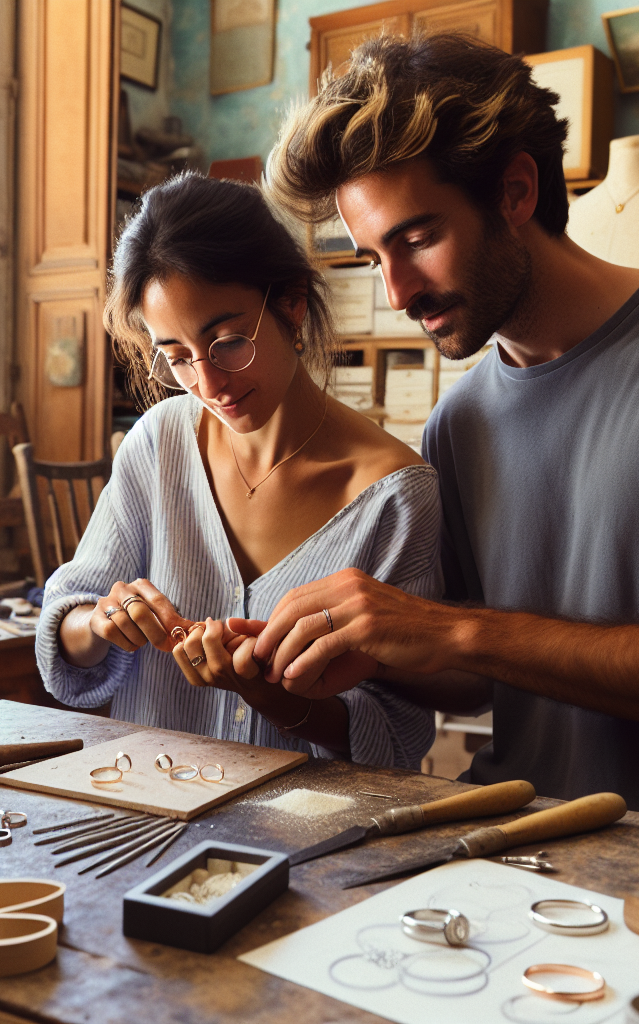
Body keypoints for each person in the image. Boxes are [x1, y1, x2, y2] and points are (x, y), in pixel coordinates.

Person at [247, 34, 639, 832]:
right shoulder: (459, 424)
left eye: (418, 238)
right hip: (519, 840)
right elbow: (482, 676)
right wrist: (374, 655)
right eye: (371, 259)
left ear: (516, 191)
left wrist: (455, 629)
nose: (397, 293)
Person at [36, 172, 440, 769]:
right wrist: (99, 622)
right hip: (148, 818)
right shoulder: (158, 445)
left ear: (293, 304)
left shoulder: (394, 498)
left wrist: (271, 695)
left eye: (226, 342)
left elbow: (397, 733)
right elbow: (64, 635)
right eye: (176, 358)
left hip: (307, 844)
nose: (209, 384)